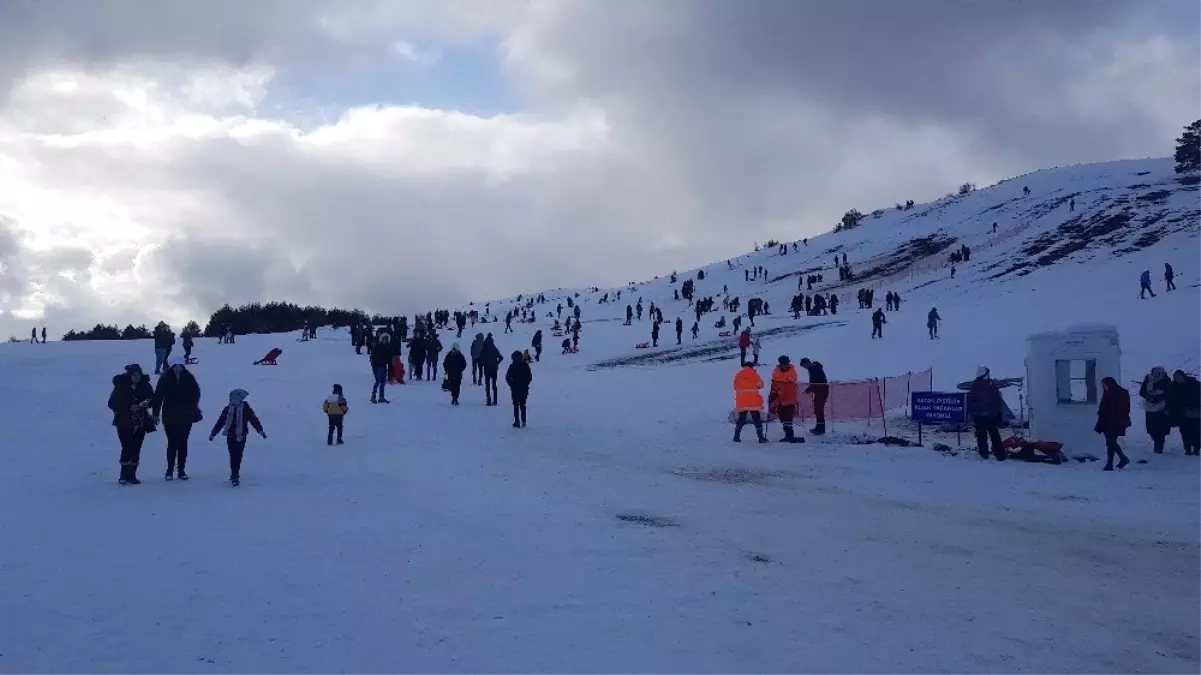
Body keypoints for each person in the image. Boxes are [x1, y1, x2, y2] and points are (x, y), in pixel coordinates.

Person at [152, 362, 201, 480]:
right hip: (170, 415)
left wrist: (192, 406)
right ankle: (169, 470)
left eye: (180, 367)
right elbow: (158, 396)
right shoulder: (165, 378)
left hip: (186, 415)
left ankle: (181, 470)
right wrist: (155, 413)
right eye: (175, 367)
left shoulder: (189, 378)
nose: (178, 369)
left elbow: (196, 393)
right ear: (172, 367)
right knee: (172, 442)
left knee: (183, 442)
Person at [108, 364, 155, 485]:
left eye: (138, 375)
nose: (136, 377)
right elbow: (112, 403)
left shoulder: (146, 385)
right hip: (124, 422)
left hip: (141, 421)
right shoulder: (120, 386)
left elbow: (152, 399)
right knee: (126, 446)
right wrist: (128, 407)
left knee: (136, 448)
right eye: (133, 375)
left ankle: (132, 475)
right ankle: (123, 474)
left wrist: (146, 403)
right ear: (129, 375)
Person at [208, 389, 266, 486]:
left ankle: (235, 474)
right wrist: (213, 433)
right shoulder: (227, 409)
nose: (232, 400)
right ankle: (234, 473)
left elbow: (253, 420)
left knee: (238, 454)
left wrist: (260, 430)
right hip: (230, 435)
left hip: (241, 436)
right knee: (232, 454)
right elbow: (221, 422)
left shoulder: (246, 408)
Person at [969, 367, 1007, 461]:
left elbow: (972, 402)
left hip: (980, 416)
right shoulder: (990, 386)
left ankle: (984, 454)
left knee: (982, 436)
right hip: (989, 416)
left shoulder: (975, 386)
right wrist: (999, 414)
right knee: (994, 435)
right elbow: (997, 401)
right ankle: (999, 455)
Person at [1095, 377, 1131, 471]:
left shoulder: (1121, 393)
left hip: (1116, 421)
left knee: (1110, 441)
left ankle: (1116, 461)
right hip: (1107, 421)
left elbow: (1125, 408)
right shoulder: (1108, 392)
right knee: (1110, 442)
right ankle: (1114, 461)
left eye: (1104, 384)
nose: (1104, 387)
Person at [770, 356, 804, 443]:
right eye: (782, 363)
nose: (784, 365)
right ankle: (787, 435)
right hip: (779, 399)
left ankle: (790, 435)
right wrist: (772, 396)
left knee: (788, 418)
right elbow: (775, 383)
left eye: (785, 363)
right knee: (782, 418)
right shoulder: (776, 372)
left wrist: (779, 382)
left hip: (789, 398)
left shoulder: (792, 371)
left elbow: (789, 380)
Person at [1139, 367, 1172, 454]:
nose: (1155, 374)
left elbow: (1169, 393)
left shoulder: (1166, 381)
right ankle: (1157, 441)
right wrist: (1148, 397)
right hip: (1150, 407)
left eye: (1157, 372)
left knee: (1161, 428)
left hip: (1162, 408)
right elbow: (1142, 391)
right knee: (1151, 428)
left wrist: (1158, 397)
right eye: (1154, 372)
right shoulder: (1148, 379)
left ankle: (1159, 446)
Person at [732, 362, 768, 443]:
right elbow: (761, 385)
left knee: (741, 419)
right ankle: (761, 438)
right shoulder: (754, 374)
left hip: (742, 401)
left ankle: (736, 437)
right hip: (753, 401)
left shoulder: (738, 375)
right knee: (756, 419)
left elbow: (735, 387)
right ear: (752, 366)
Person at [1170, 370, 1201, 456]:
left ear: (1183, 376)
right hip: (1183, 412)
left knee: (1197, 431)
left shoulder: (1194, 384)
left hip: (1196, 412)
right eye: (1175, 377)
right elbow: (1171, 399)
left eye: (1178, 377)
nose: (1177, 379)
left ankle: (1196, 448)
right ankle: (1187, 448)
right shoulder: (1173, 386)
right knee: (1185, 431)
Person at [798, 358, 828, 435]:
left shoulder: (815, 369)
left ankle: (820, 429)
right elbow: (814, 383)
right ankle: (819, 427)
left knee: (819, 410)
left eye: (804, 366)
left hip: (822, 391)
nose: (804, 368)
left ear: (807, 363)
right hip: (819, 391)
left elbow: (817, 381)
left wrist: (808, 390)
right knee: (818, 410)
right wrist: (809, 389)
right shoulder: (812, 368)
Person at [505, 350, 533, 428]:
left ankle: (517, 421)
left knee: (516, 405)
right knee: (523, 405)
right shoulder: (525, 365)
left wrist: (511, 385)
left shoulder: (512, 366)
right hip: (524, 388)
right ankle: (523, 421)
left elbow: (507, 377)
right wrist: (526, 383)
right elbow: (529, 377)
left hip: (515, 389)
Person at [479, 334, 504, 406]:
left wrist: (483, 364)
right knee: (494, 385)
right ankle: (495, 400)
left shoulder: (484, 350)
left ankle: (488, 400)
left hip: (487, 369)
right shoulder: (494, 349)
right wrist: (496, 363)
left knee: (488, 386)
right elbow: (501, 357)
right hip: (494, 369)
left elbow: (480, 360)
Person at [370, 333, 393, 403]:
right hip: (377, 367)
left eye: (386, 339)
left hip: (383, 367)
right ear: (381, 339)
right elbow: (372, 357)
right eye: (384, 339)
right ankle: (373, 396)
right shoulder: (377, 347)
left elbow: (389, 359)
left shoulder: (388, 348)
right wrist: (373, 367)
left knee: (383, 383)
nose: (385, 340)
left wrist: (390, 370)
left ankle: (381, 397)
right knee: (377, 382)